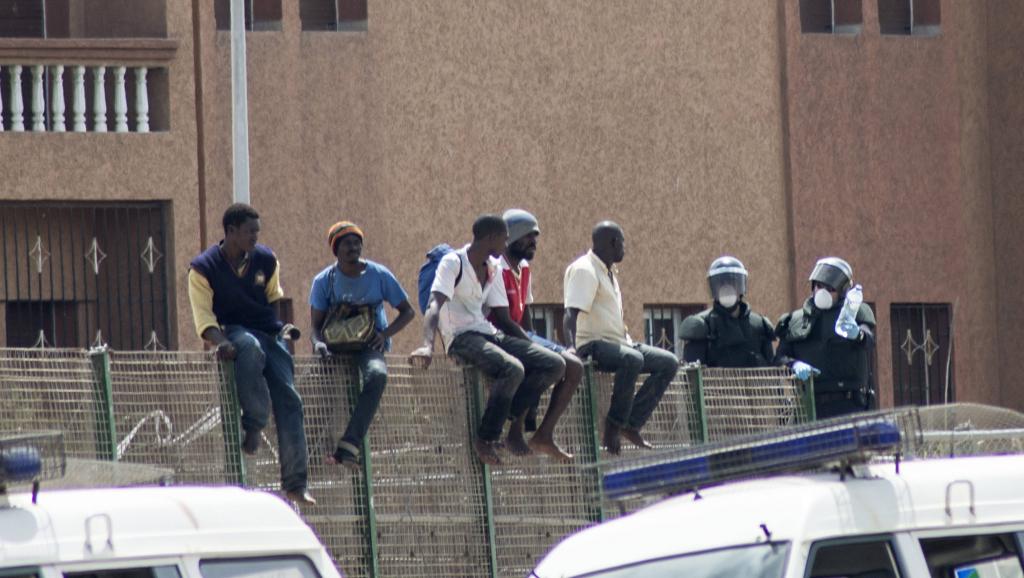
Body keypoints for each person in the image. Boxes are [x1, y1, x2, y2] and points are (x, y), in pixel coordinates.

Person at [409, 214, 565, 466]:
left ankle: (508, 415)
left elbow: (503, 317)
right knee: (512, 368)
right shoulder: (453, 262)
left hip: (487, 332)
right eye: (504, 239)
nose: (506, 244)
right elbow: (434, 304)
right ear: (491, 237)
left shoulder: (492, 268)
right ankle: (486, 438)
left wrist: (531, 346)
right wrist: (428, 345)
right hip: (460, 336)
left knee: (554, 363)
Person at [188, 203, 314, 505]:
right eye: (249, 231)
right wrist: (222, 343)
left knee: (290, 400)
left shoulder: (266, 260)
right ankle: (254, 424)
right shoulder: (203, 268)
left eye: (257, 231)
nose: (255, 237)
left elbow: (275, 300)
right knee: (250, 348)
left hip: (267, 332)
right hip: (233, 331)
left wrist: (281, 331)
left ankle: (296, 483)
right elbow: (204, 320)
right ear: (231, 231)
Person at [563, 221, 679, 455]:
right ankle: (613, 426)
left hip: (619, 343)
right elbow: (570, 313)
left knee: (669, 362)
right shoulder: (585, 269)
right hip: (592, 344)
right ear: (613, 242)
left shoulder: (608, 271)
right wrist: (571, 348)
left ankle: (631, 423)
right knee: (632, 359)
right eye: (622, 243)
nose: (624, 248)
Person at [309, 221, 415, 471]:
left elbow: (407, 312)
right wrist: (318, 345)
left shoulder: (379, 274)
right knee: (317, 395)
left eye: (357, 242)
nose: (353, 248)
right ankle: (316, 454)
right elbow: (315, 327)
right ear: (336, 250)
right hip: (335, 348)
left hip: (369, 345)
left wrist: (385, 334)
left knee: (377, 375)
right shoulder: (324, 280)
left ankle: (349, 446)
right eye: (347, 243)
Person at [486, 209, 582, 462]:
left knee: (574, 367)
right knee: (546, 362)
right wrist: (534, 346)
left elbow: (524, 313)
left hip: (519, 334)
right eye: (528, 237)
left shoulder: (524, 268)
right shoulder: (497, 268)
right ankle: (515, 427)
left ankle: (543, 434)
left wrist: (537, 340)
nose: (534, 243)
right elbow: (505, 321)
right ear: (513, 236)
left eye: (535, 238)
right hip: (498, 336)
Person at [775, 257, 876, 419]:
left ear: (842, 291)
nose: (822, 292)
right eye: (819, 286)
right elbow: (780, 357)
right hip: (809, 405)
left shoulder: (855, 312)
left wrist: (858, 334)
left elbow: (869, 341)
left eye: (830, 288)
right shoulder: (796, 319)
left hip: (848, 405)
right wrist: (795, 364)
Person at [680, 256, 776, 367]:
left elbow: (772, 369)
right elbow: (692, 375)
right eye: (721, 284)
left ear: (741, 286)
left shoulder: (759, 324)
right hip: (714, 384)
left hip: (755, 384)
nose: (727, 289)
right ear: (713, 288)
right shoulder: (702, 325)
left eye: (732, 283)